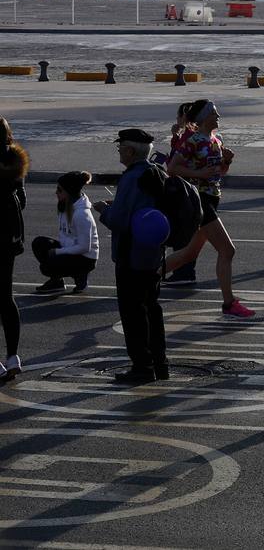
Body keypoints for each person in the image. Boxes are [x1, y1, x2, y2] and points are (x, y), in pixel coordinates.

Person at [162, 100, 254, 317]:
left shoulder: (215, 140)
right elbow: (173, 168)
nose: (218, 115)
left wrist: (226, 162)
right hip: (199, 200)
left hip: (212, 198)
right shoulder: (192, 141)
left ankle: (146, 279)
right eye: (214, 113)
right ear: (203, 118)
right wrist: (200, 175)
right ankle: (229, 303)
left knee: (188, 254)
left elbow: (218, 174)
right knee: (227, 250)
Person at [94, 128, 168, 383]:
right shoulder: (157, 172)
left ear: (130, 150)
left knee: (133, 313)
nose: (118, 151)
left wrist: (104, 210)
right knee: (152, 309)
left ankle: (141, 367)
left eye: (120, 147)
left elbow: (120, 220)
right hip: (153, 254)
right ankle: (160, 364)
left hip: (130, 255)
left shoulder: (131, 178)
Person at [31, 171, 99, 294]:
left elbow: (84, 247)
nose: (56, 192)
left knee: (46, 267)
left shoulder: (82, 214)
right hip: (70, 248)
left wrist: (57, 252)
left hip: (85, 258)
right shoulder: (64, 206)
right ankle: (57, 282)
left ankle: (81, 274)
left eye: (59, 190)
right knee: (39, 243)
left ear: (69, 192)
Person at [0, 117, 28, 379]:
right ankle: (12, 356)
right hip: (8, 239)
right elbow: (22, 201)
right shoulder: (14, 162)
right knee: (6, 298)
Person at [161, 102, 197, 284]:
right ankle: (184, 271)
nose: (176, 120)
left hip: (183, 191)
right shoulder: (187, 136)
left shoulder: (190, 138)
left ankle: (184, 272)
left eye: (178, 116)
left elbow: (175, 163)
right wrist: (175, 135)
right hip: (185, 189)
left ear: (184, 117)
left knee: (183, 235)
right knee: (186, 234)